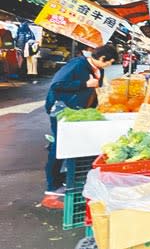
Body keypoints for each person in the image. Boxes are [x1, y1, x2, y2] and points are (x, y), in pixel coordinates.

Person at [41, 44, 118, 209]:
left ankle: (67, 179)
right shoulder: (77, 65)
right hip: (63, 110)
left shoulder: (97, 68)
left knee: (73, 146)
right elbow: (56, 85)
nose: (109, 66)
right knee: (59, 146)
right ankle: (52, 189)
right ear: (102, 58)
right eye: (109, 62)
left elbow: (95, 88)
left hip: (79, 112)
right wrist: (84, 84)